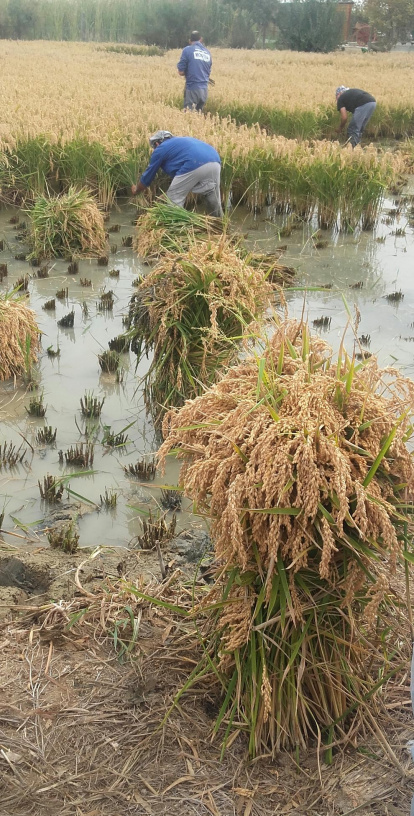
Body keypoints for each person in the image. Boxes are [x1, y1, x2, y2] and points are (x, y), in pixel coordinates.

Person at [131, 130, 223, 217]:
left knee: (174, 198)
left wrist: (137, 190)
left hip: (193, 163)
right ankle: (219, 223)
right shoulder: (179, 142)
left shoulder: (161, 148)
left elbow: (148, 176)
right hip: (215, 162)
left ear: (157, 143)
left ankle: (179, 226)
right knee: (213, 197)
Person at [177, 31, 212, 112]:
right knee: (198, 115)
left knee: (189, 116)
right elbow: (208, 72)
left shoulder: (187, 50)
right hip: (204, 90)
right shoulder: (207, 52)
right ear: (201, 39)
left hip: (192, 88)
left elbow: (181, 72)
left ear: (190, 41)